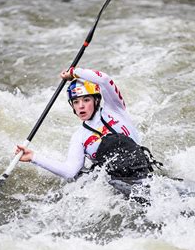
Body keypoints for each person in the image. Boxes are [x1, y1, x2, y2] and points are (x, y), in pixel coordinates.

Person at [16, 67, 161, 202]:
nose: (81, 106)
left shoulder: (115, 109)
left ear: (96, 100)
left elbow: (104, 79)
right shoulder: (79, 137)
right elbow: (70, 171)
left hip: (144, 173)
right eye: (76, 102)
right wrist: (33, 157)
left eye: (86, 100)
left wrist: (74, 72)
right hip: (121, 185)